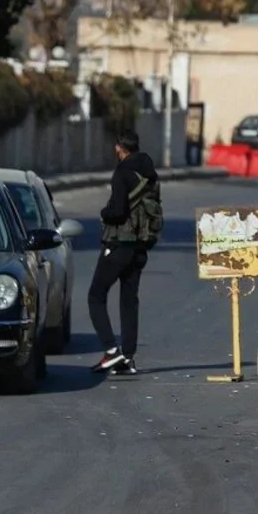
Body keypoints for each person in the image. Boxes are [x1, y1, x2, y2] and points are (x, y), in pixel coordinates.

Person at [89, 129, 161, 375]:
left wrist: (104, 212)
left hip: (119, 243)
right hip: (141, 245)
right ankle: (128, 357)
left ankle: (111, 351)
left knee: (96, 296)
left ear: (120, 147)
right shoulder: (150, 173)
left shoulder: (122, 172)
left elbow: (118, 211)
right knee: (129, 300)